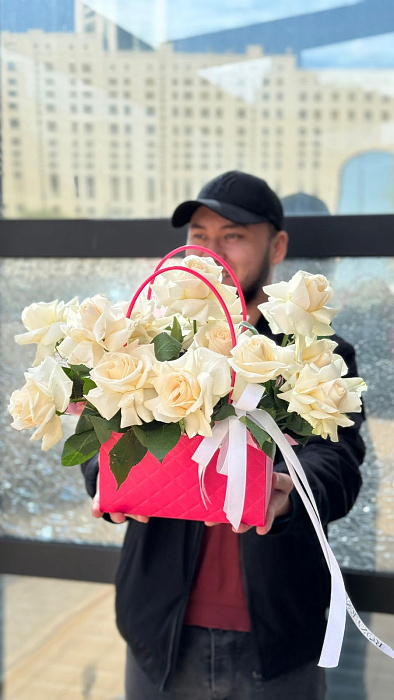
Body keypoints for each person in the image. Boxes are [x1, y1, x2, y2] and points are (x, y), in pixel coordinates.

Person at [81, 171, 365, 699]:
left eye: (232, 234)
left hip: (277, 640)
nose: (210, 252)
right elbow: (101, 432)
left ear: (276, 245)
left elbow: (340, 466)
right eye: (198, 235)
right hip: (159, 634)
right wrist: (107, 481)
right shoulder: (148, 338)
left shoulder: (318, 352)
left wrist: (286, 497)